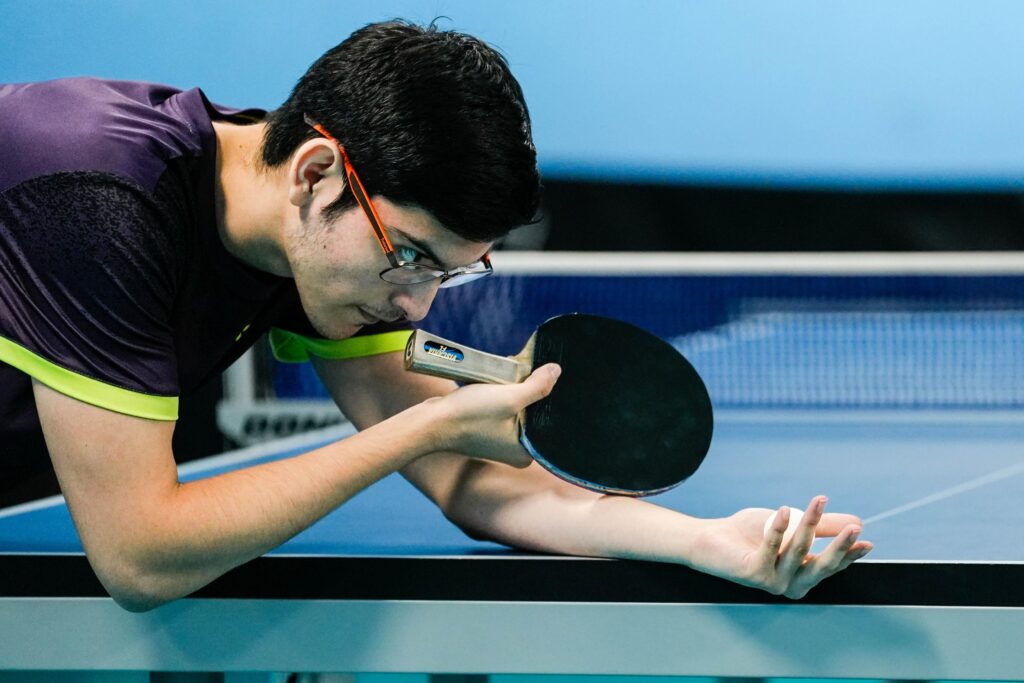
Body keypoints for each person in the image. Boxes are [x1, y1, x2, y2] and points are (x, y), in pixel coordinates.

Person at [0, 20, 871, 611]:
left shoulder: (315, 236)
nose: (414, 303)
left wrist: (706, 542)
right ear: (315, 175)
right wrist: (420, 429)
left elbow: (471, 480)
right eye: (410, 254)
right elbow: (142, 556)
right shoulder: (93, 198)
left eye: (449, 273)